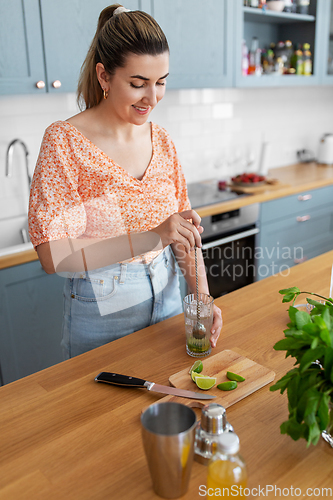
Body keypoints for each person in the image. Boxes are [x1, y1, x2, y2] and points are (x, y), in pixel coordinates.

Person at [28, 4, 222, 359]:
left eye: (161, 82)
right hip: (101, 311)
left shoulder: (161, 140)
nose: (153, 97)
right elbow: (53, 256)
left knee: (169, 401)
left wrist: (201, 299)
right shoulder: (65, 142)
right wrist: (152, 236)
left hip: (167, 298)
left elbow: (184, 234)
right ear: (104, 76)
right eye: (138, 84)